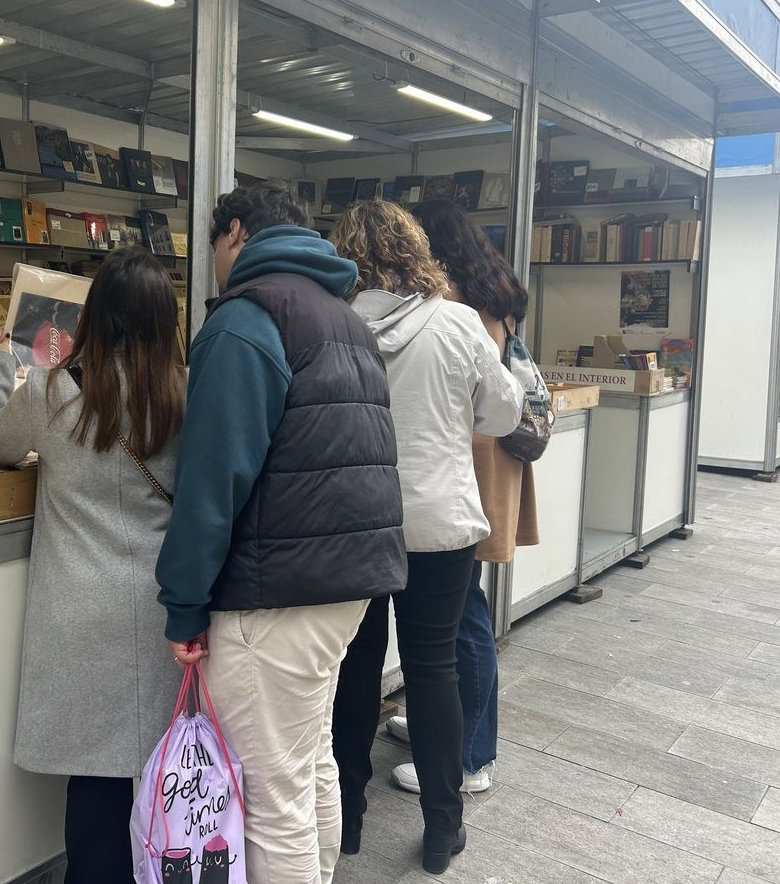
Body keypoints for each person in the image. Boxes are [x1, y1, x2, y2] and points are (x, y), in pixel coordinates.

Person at [156, 182, 407, 884]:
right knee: (305, 764)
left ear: (233, 233)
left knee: (267, 796)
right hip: (344, 581)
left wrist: (182, 602)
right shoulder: (342, 315)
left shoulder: (244, 319)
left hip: (276, 592)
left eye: (210, 248)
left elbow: (213, 480)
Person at [0, 247, 185, 884]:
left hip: (77, 611)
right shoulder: (185, 391)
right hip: (160, 607)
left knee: (93, 778)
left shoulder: (54, 390)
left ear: (97, 314)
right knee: (161, 770)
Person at [328, 199, 522, 875]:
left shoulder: (335, 324)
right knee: (432, 668)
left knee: (354, 667)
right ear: (416, 247)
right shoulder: (457, 321)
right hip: (439, 522)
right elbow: (501, 414)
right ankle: (441, 828)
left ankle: (347, 818)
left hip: (357, 519)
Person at [384, 198, 541, 796]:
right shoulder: (490, 288)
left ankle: (470, 754)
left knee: (464, 617)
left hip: (464, 458)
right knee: (455, 612)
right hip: (475, 455)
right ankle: (440, 727)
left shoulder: (453, 302)